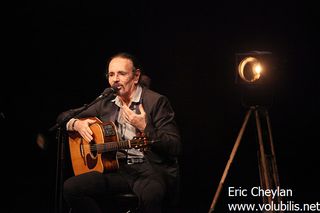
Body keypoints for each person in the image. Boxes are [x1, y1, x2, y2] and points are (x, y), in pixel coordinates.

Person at [57, 52, 181, 213]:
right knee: (71, 188)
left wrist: (145, 127)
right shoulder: (106, 102)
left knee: (152, 195)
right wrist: (76, 124)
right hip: (117, 170)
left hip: (148, 170)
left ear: (136, 76)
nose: (115, 79)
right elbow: (63, 117)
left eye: (121, 74)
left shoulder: (156, 102)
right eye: (111, 74)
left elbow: (175, 146)